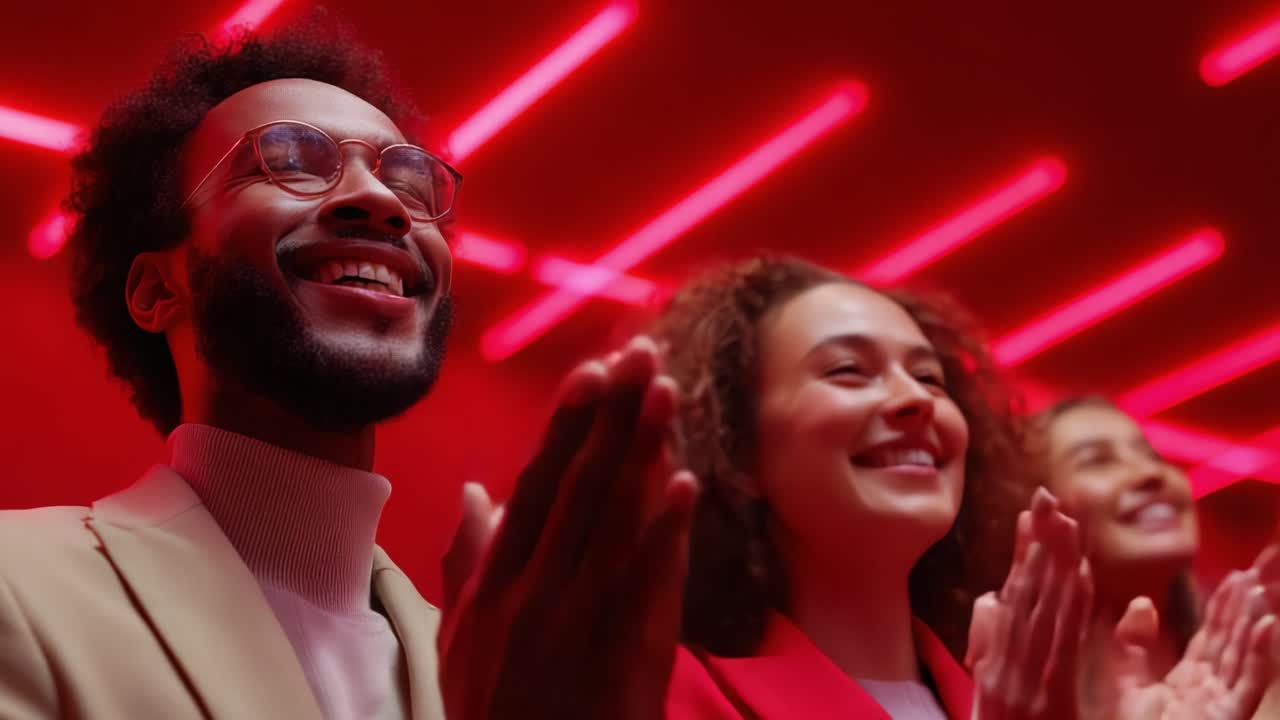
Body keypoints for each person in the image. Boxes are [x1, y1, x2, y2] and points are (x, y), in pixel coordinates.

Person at [0, 14, 694, 720]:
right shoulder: (16, 586)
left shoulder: (485, 655)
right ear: (156, 290)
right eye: (289, 160)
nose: (384, 203)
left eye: (410, 181)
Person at [653, 256, 1093, 719]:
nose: (916, 399)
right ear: (738, 452)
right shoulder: (670, 699)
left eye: (929, 378)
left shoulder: (1029, 699)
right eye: (848, 370)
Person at [1038, 396, 1279, 719]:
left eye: (1152, 455)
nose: (1151, 472)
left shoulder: (1263, 660)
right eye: (1097, 461)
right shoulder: (1006, 701)